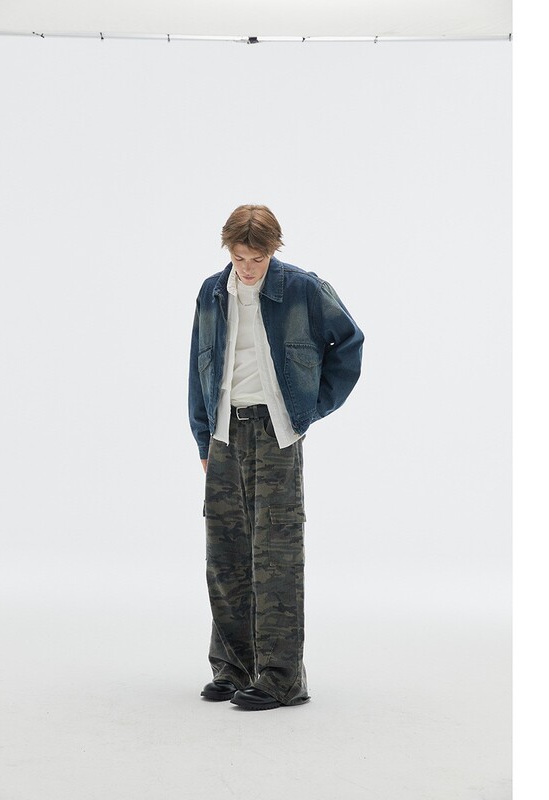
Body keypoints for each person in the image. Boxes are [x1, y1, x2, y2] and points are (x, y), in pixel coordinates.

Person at [188, 204, 364, 710]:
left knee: (275, 552)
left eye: (257, 259)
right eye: (239, 258)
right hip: (225, 434)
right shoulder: (211, 292)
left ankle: (282, 676)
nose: (247, 268)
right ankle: (233, 667)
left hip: (275, 433)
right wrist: (203, 439)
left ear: (273, 251)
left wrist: (306, 410)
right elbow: (198, 365)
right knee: (225, 554)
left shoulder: (303, 288)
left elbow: (349, 343)